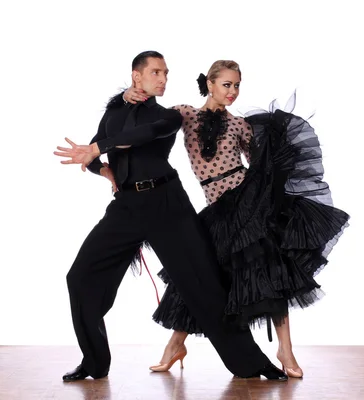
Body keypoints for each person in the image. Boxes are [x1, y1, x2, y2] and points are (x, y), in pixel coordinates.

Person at [53, 51, 287, 381]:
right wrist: (104, 170)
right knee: (80, 277)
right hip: (127, 207)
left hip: (167, 204)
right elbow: (95, 148)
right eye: (156, 73)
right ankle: (94, 362)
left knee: (204, 283)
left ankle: (252, 363)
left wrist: (99, 147)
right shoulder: (115, 111)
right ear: (137, 76)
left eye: (166, 73)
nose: (163, 79)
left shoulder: (167, 116)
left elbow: (142, 135)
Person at [123, 60, 350, 378]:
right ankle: (175, 345)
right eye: (226, 84)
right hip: (216, 210)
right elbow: (155, 124)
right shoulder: (187, 114)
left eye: (237, 85)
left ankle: (285, 350)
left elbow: (259, 165)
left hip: (246, 205)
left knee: (270, 272)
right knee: (195, 278)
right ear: (210, 84)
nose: (232, 91)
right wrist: (133, 96)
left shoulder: (240, 126)